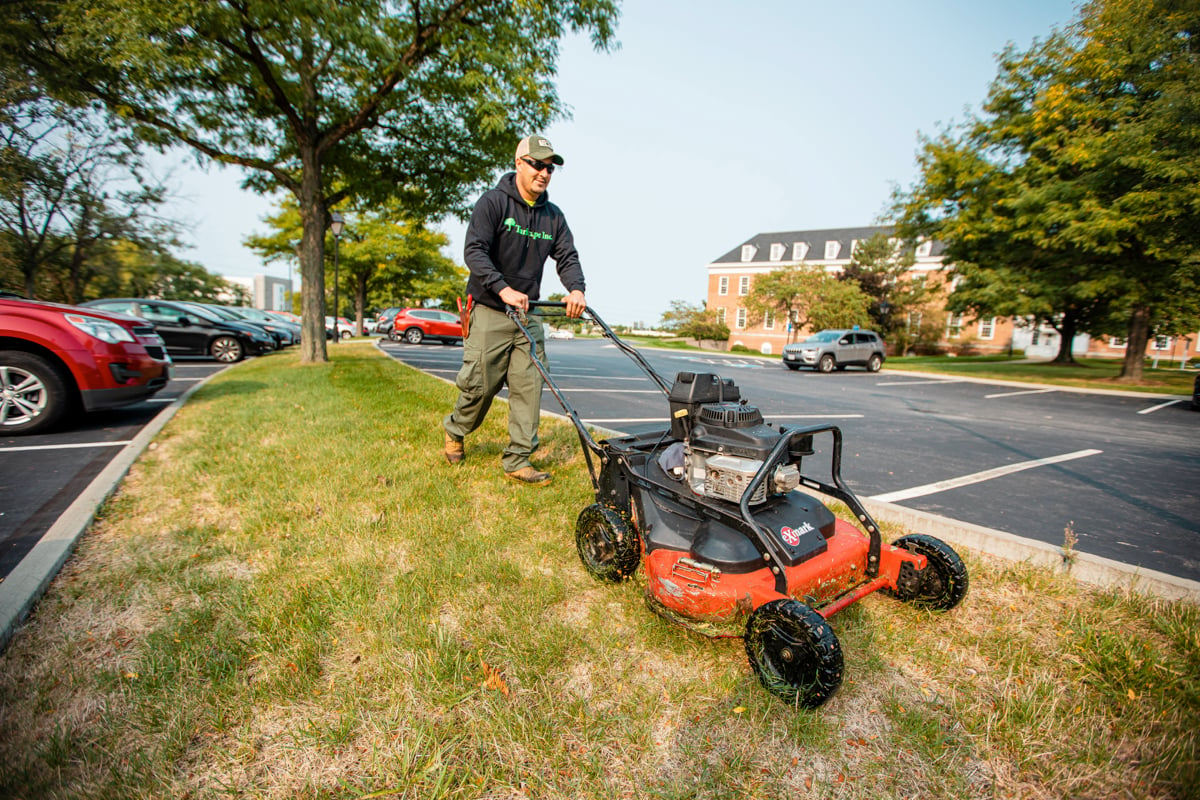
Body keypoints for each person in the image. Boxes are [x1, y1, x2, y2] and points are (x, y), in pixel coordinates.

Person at [442, 134, 587, 485]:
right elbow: (474, 251)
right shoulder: (493, 203)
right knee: (480, 387)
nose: (544, 173)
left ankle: (518, 458)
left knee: (529, 385)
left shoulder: (553, 216)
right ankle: (456, 429)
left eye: (549, 168)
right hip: (490, 309)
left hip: (527, 316)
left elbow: (566, 255)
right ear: (519, 163)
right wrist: (503, 288)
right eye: (537, 165)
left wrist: (576, 289)